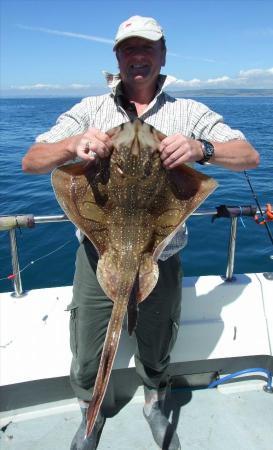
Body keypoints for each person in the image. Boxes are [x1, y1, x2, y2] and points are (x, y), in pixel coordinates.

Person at [22, 15, 259, 450]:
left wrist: (201, 149)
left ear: (162, 54)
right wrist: (72, 146)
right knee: (90, 346)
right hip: (99, 252)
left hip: (159, 252)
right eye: (129, 49)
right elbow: (32, 161)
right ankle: (89, 414)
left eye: (147, 48)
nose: (138, 57)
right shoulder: (89, 110)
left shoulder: (189, 112)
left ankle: (155, 401)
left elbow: (248, 155)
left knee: (157, 343)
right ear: (118, 57)